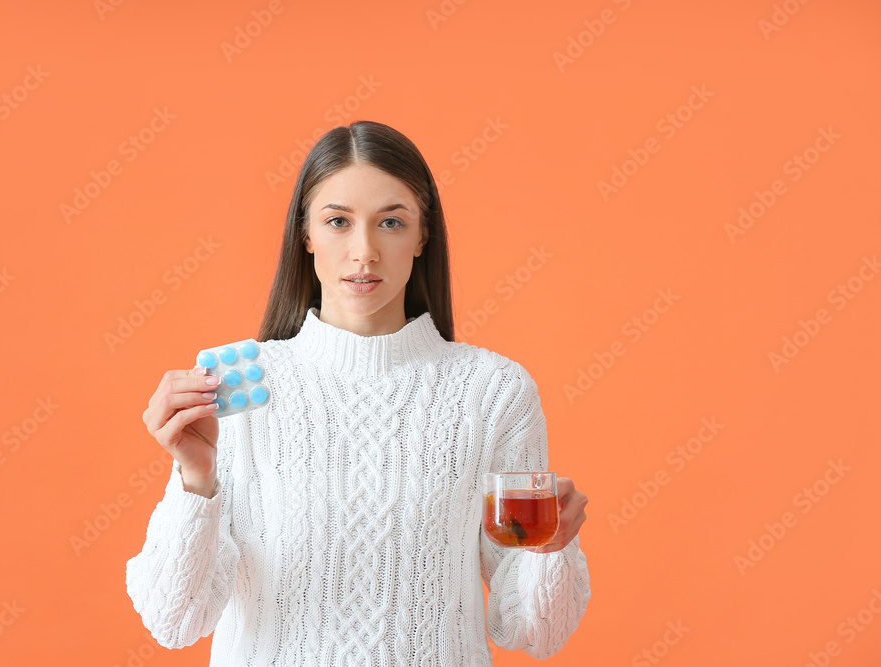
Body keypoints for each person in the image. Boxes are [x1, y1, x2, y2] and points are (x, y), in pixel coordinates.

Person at [126, 120, 591, 666]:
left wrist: (550, 549)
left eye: (391, 222)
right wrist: (195, 478)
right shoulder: (239, 390)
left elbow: (532, 631)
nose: (364, 251)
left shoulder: (490, 393)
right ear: (306, 235)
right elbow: (173, 619)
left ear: (422, 237)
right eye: (338, 222)